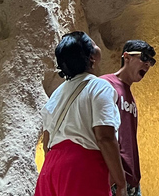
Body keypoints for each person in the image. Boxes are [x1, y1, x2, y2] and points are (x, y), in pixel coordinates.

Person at [35, 31, 128, 196]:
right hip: (81, 168)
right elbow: (104, 137)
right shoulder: (99, 86)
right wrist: (121, 182)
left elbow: (46, 142)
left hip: (50, 169)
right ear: (91, 57)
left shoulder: (57, 94)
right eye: (93, 43)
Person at [101, 40, 157, 196]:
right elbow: (100, 134)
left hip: (131, 180)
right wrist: (114, 178)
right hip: (115, 180)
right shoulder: (106, 85)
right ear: (126, 57)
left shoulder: (130, 95)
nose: (148, 65)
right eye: (144, 58)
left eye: (151, 61)